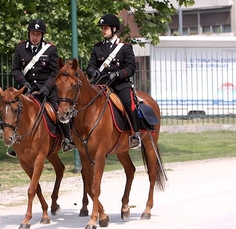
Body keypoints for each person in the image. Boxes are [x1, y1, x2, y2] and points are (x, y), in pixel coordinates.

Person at [7, 19, 75, 158]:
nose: (35, 37)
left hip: (46, 89)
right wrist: (24, 82)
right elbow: (15, 70)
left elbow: (55, 71)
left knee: (58, 110)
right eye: (33, 33)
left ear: (42, 35)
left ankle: (67, 139)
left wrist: (47, 87)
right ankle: (15, 143)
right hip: (27, 90)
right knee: (12, 111)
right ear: (29, 34)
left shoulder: (50, 49)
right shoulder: (21, 48)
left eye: (38, 34)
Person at [85, 13, 141, 149]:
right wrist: (93, 71)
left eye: (105, 28)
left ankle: (135, 134)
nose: (103, 31)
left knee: (128, 102)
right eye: (102, 28)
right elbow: (90, 65)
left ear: (114, 29)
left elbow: (131, 68)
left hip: (119, 84)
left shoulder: (125, 47)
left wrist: (118, 74)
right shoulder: (97, 47)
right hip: (101, 84)